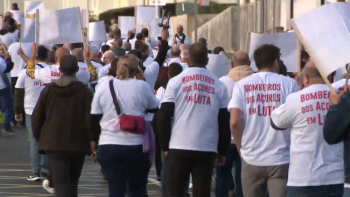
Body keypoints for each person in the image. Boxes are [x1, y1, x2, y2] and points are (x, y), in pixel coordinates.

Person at [157, 43, 231, 197]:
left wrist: (165, 146)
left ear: (188, 60)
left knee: (174, 193)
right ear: (206, 61)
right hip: (206, 147)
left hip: (178, 146)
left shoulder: (176, 82)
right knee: (202, 193)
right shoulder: (218, 85)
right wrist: (222, 151)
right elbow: (224, 121)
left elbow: (163, 116)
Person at [229, 44, 299, 197]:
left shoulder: (241, 85)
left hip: (251, 156)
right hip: (281, 157)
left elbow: (234, 122)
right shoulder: (289, 84)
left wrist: (241, 148)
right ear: (276, 62)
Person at [270, 61, 344, 197]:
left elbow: (275, 122)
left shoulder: (295, 99)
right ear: (330, 76)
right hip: (335, 176)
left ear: (305, 78)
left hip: (303, 177)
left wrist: (298, 94)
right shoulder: (341, 98)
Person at [90, 54, 159, 197]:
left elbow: (94, 115)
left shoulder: (104, 86)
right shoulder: (142, 85)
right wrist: (141, 81)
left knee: (115, 189)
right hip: (136, 145)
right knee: (137, 189)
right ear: (137, 70)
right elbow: (154, 107)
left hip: (109, 144)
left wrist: (93, 141)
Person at [31, 54, 93, 197]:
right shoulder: (85, 91)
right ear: (77, 69)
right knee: (72, 182)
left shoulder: (49, 90)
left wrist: (40, 138)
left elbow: (37, 117)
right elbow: (92, 118)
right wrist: (93, 139)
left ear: (60, 70)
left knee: (60, 183)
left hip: (54, 143)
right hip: (78, 143)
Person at [216, 50, 253, 197]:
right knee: (243, 180)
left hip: (225, 138)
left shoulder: (222, 82)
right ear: (249, 64)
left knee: (222, 179)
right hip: (249, 138)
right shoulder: (256, 83)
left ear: (231, 64)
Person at [14, 46, 49, 181]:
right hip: (47, 109)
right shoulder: (50, 70)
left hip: (30, 109)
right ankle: (46, 170)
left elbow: (18, 92)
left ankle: (36, 171)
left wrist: (17, 111)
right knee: (46, 139)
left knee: (34, 141)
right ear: (47, 56)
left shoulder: (25, 72)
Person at [152, 63, 186, 197]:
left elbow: (160, 110)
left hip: (166, 127)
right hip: (180, 129)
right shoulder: (184, 87)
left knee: (167, 164)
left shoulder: (163, 89)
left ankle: (166, 192)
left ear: (168, 74)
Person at [22, 44, 97, 85]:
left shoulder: (47, 71)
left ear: (55, 58)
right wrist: (87, 59)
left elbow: (29, 72)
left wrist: (33, 55)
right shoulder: (79, 73)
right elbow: (94, 76)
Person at [8, 42, 31, 126]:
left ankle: (14, 119)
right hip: (26, 74)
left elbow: (8, 58)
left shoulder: (12, 46)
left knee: (15, 97)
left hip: (14, 74)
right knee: (25, 97)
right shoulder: (30, 46)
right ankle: (23, 120)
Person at [0, 44, 14, 134]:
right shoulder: (1, 61)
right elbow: (8, 67)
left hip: (3, 86)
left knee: (5, 107)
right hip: (3, 87)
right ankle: (6, 127)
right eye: (1, 49)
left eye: (5, 49)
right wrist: (7, 59)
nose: (3, 51)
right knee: (8, 107)